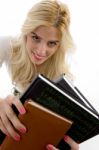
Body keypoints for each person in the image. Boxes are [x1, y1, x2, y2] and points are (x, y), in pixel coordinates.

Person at [0, 0, 79, 149]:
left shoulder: (63, 79)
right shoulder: (7, 45)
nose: (41, 51)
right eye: (35, 37)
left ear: (60, 44)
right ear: (26, 32)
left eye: (52, 43)